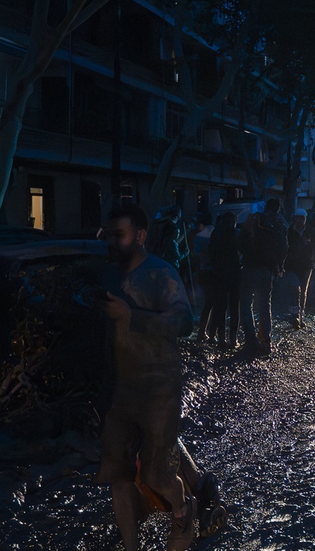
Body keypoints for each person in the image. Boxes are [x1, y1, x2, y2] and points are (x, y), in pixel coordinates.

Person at [96, 204, 197, 551]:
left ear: (140, 236)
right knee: (118, 476)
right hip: (119, 392)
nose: (111, 242)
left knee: (156, 473)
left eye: (118, 235)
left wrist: (132, 316)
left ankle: (183, 510)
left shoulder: (160, 273)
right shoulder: (109, 275)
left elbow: (184, 322)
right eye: (108, 235)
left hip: (159, 389)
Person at [237, 199, 288, 356]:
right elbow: (284, 247)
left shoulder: (254, 219)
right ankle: (265, 342)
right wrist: (279, 266)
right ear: (278, 209)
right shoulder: (280, 224)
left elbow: (240, 241)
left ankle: (250, 341)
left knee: (246, 304)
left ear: (266, 207)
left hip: (249, 267)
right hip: (267, 270)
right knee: (264, 305)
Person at [199, 212, 241, 348]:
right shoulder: (237, 234)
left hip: (218, 274)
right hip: (234, 274)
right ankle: (233, 339)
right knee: (234, 307)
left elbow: (211, 252)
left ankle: (218, 337)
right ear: (235, 221)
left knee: (220, 307)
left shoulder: (216, 233)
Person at [285, 208, 315, 329]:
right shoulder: (290, 231)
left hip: (306, 265)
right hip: (292, 265)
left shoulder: (310, 230)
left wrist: (309, 245)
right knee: (294, 290)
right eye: (298, 218)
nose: (299, 221)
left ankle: (300, 316)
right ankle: (295, 315)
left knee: (303, 291)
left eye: (302, 218)